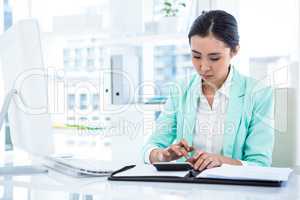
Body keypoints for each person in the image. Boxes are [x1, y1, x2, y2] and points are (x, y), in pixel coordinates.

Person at [143, 10, 274, 171]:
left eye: (214, 58)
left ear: (234, 51)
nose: (203, 67)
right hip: (187, 191)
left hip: (235, 192)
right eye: (196, 56)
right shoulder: (180, 90)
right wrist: (163, 155)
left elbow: (260, 163)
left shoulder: (258, 93)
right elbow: (151, 147)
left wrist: (221, 162)